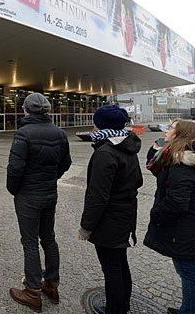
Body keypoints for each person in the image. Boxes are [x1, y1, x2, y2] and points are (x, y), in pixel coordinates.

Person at [7, 93, 72, 312]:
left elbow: (15, 169)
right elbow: (66, 162)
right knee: (49, 238)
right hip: (49, 193)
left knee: (30, 242)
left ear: (26, 110)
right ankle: (52, 284)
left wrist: (14, 189)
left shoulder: (23, 134)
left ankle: (33, 291)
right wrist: (51, 178)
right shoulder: (60, 133)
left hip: (28, 196)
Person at [79, 105, 143, 314]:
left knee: (112, 268)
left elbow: (97, 196)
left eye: (95, 121)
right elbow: (139, 180)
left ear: (101, 124)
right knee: (120, 263)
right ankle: (122, 305)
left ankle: (115, 309)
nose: (93, 125)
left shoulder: (105, 152)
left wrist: (86, 227)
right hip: (125, 214)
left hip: (110, 219)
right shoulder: (126, 145)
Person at [144, 120, 195, 314]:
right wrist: (155, 152)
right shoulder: (187, 158)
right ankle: (192, 308)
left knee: (189, 272)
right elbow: (161, 173)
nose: (167, 130)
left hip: (185, 229)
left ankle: (192, 311)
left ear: (181, 135)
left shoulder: (182, 164)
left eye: (171, 128)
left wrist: (156, 214)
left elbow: (177, 202)